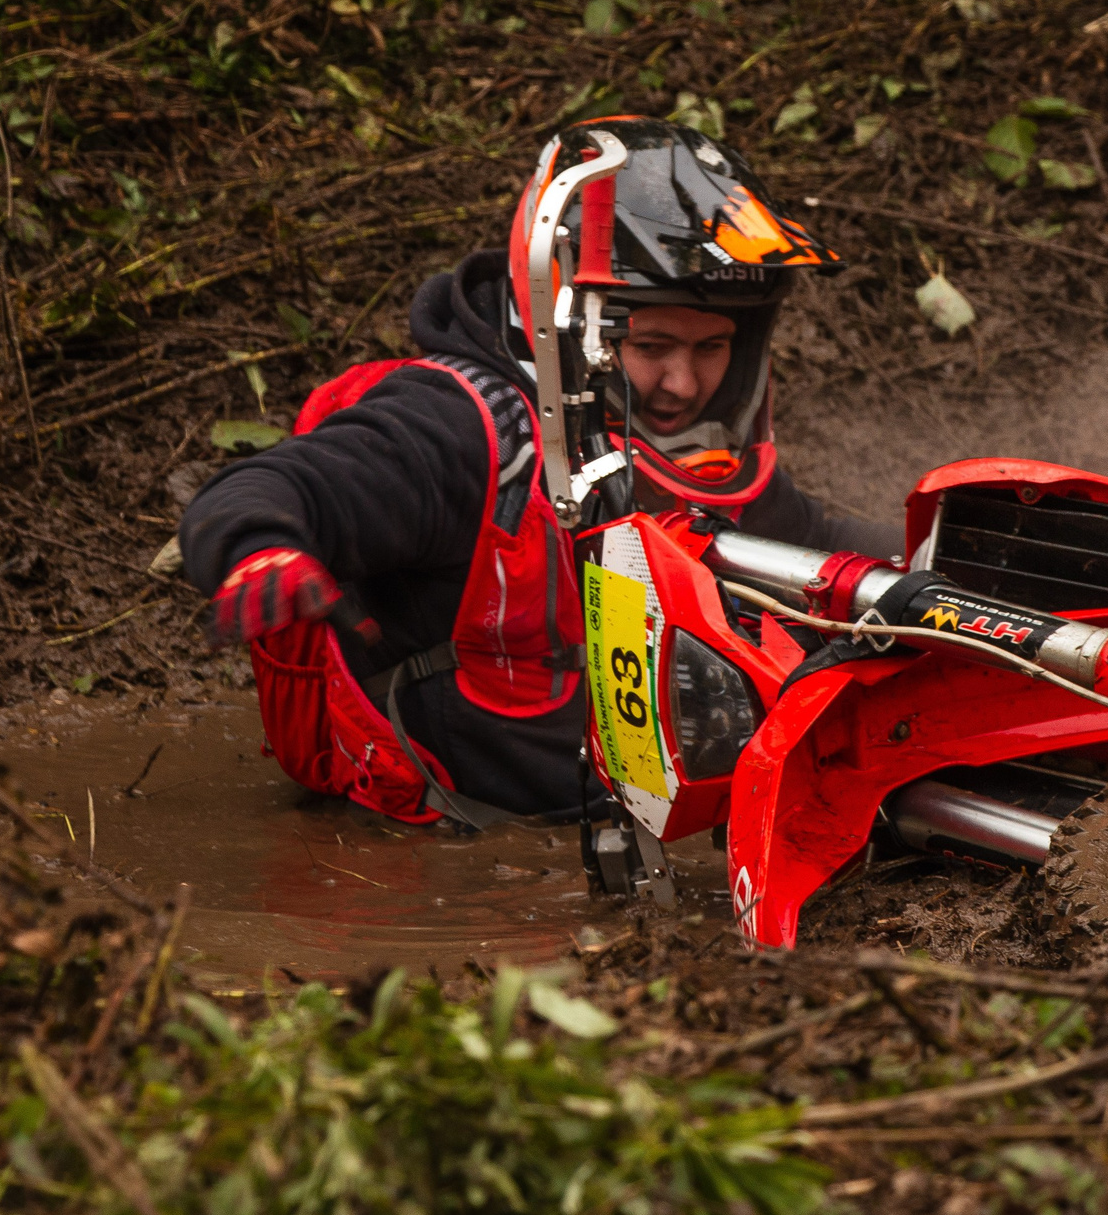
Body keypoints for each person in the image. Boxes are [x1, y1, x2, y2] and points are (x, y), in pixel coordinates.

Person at [181, 117, 899, 826]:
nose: (684, 382)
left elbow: (818, 543)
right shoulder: (459, 427)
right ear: (566, 315)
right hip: (445, 846)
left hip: (636, 823)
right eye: (652, 345)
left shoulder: (694, 453)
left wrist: (939, 559)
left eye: (712, 347)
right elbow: (271, 484)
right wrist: (259, 546)